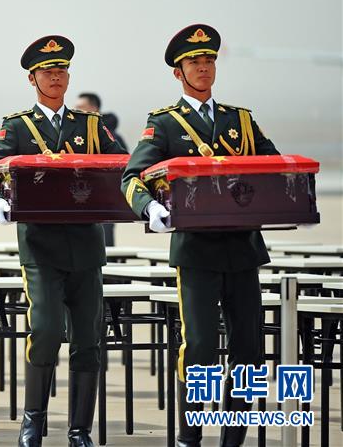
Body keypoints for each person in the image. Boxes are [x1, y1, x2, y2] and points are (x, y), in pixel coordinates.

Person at [120, 24, 278, 447]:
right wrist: (151, 207)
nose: (204, 67)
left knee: (248, 349)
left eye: (209, 60)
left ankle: (234, 435)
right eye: (194, 62)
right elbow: (132, 177)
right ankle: (191, 434)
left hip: (243, 249)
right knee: (202, 348)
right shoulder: (165, 124)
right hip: (196, 251)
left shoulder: (240, 120)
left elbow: (274, 168)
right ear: (178, 73)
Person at [0, 36, 126, 447]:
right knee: (44, 330)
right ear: (32, 77)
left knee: (89, 340)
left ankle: (79, 429)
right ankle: (33, 420)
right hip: (41, 248)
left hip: (86, 247)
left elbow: (122, 167)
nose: (55, 76)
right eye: (47, 71)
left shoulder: (91, 126)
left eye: (61, 70)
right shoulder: (19, 126)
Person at [73, 92, 126, 246]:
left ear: (94, 109)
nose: (77, 112)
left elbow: (123, 167)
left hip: (106, 201)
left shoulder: (112, 138)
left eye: (81, 108)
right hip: (80, 199)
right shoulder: (77, 136)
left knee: (105, 246)